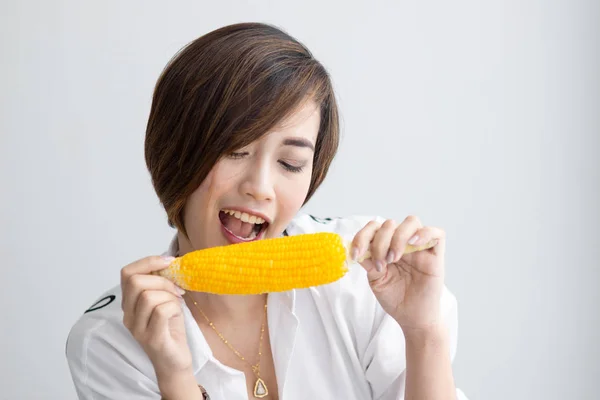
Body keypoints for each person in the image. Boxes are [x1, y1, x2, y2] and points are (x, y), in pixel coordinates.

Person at [65, 22, 469, 400]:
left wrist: (424, 333)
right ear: (176, 153)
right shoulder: (110, 342)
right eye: (234, 150)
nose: (259, 187)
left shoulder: (366, 280)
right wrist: (174, 375)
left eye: (290, 163)